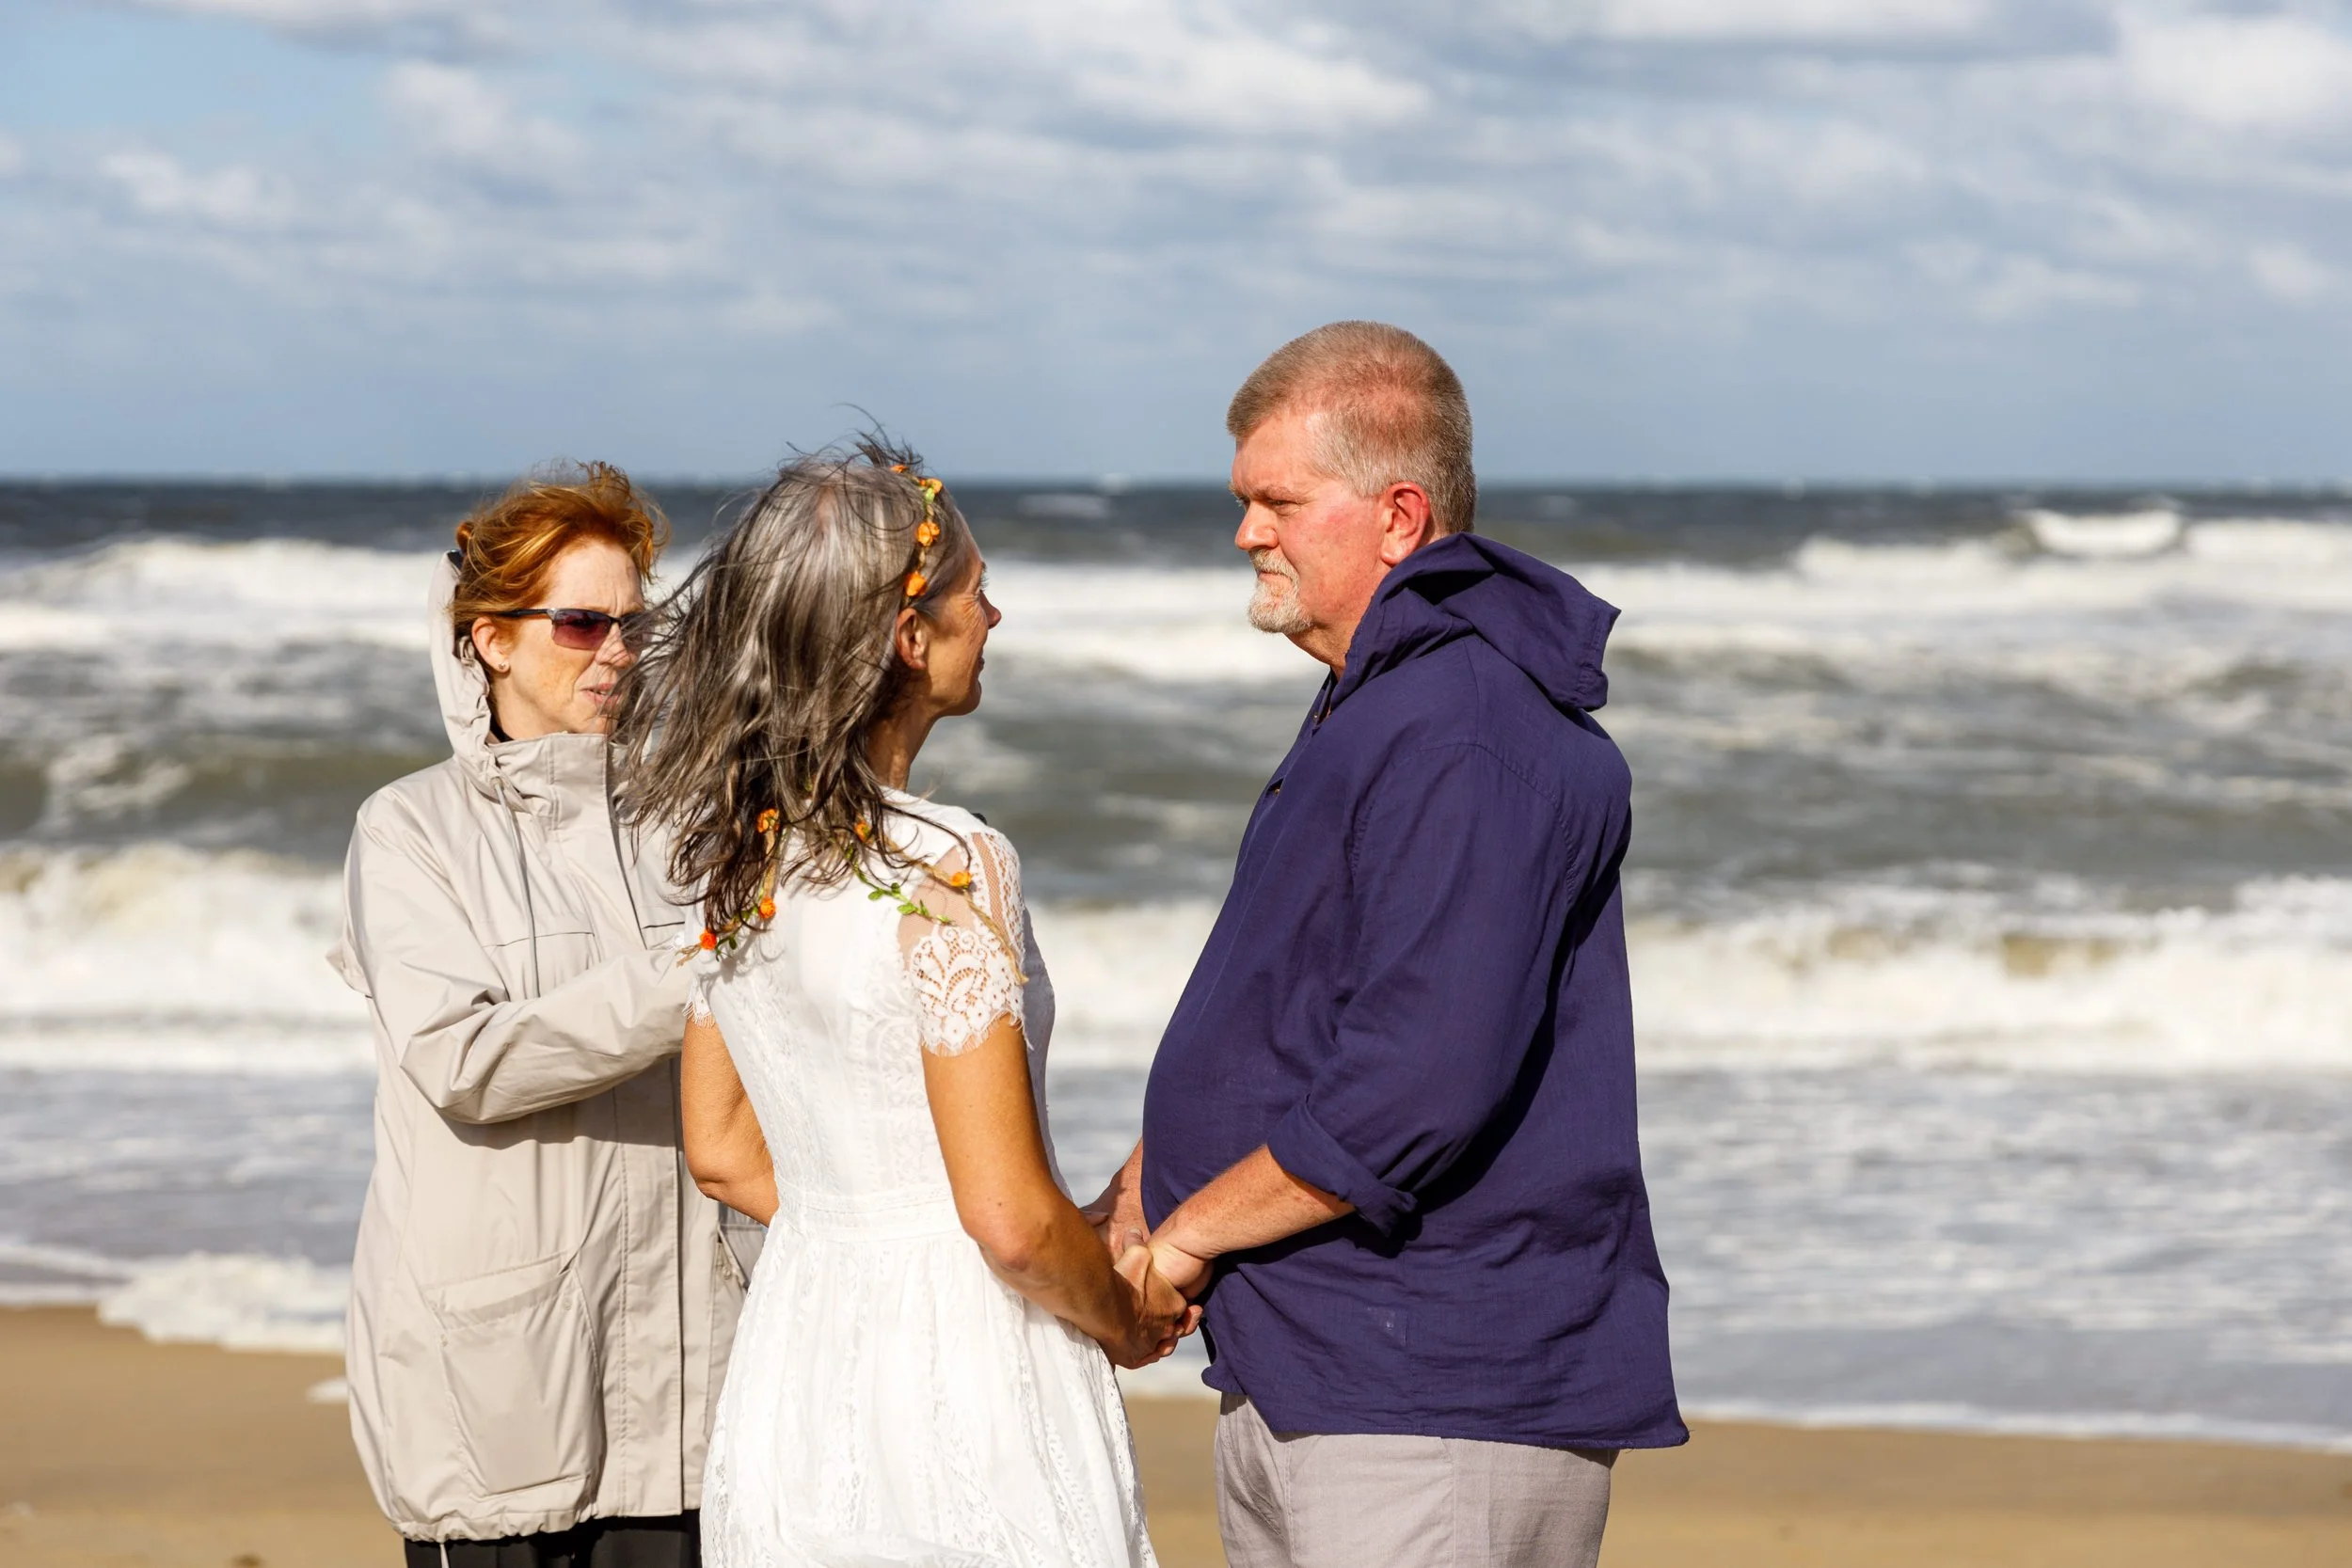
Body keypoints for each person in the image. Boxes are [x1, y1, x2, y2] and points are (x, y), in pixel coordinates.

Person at [1087, 323, 1687, 1568]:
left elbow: (1418, 1083)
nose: (1248, 531)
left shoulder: (1465, 728)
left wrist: (1190, 1234)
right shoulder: (1383, 702)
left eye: (1278, 501)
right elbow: (1290, 1012)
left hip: (1432, 1388)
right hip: (1321, 1360)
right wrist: (1143, 1189)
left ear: (1399, 515)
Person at [612, 439, 1191, 1568]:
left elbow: (723, 1151)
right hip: (969, 1373)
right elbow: (1012, 1221)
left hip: (798, 1360)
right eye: (977, 590)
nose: (998, 614)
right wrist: (1126, 1318)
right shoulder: (949, 862)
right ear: (908, 637)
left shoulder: (742, 856)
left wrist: (864, 1236)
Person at [329, 463, 743, 1567]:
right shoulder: (408, 830)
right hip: (505, 1381)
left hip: (701, 1378)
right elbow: (467, 1059)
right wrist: (699, 973)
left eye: (635, 624)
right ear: (491, 637)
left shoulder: (693, 816)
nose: (616, 650)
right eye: (579, 623)